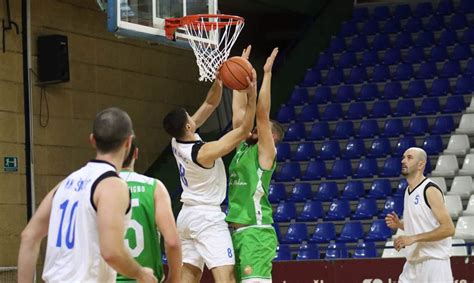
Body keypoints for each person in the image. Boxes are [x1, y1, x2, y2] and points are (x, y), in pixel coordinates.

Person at [17, 107, 157, 283]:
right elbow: (112, 252)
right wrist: (141, 273)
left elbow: (29, 236)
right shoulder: (112, 185)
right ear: (128, 142)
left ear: (92, 140)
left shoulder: (65, 184)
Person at [162, 76, 257, 283]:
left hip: (186, 217)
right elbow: (243, 130)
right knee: (227, 278)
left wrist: (219, 81)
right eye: (189, 118)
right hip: (206, 217)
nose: (192, 119)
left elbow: (210, 103)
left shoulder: (175, 141)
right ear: (188, 127)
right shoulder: (203, 153)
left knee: (189, 274)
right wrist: (251, 94)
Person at [226, 46, 284, 283]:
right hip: (238, 233)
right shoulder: (243, 145)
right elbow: (239, 113)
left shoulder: (266, 152)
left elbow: (261, 112)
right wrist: (241, 72)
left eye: (263, 128)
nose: (255, 128)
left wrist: (265, 76)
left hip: (256, 232)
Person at [385, 147, 455, 283]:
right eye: (403, 157)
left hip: (434, 263)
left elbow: (449, 229)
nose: (403, 161)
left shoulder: (430, 189)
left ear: (421, 164)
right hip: (412, 264)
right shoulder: (408, 190)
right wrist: (400, 224)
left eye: (409, 157)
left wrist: (413, 238)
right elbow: (423, 225)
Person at [117, 140, 182, 283]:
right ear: (136, 153)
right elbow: (172, 242)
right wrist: (174, 278)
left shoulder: (98, 189)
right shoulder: (154, 187)